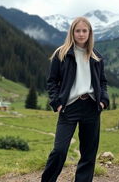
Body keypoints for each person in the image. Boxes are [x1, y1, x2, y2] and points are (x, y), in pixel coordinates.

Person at [41, 17, 109, 182]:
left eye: (84, 31)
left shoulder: (96, 56)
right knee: (59, 150)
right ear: (72, 32)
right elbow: (52, 81)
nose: (81, 34)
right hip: (69, 107)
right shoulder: (61, 53)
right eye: (77, 31)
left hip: (91, 107)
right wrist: (56, 103)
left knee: (88, 153)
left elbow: (102, 82)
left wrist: (103, 100)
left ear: (89, 33)